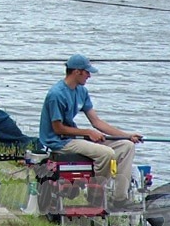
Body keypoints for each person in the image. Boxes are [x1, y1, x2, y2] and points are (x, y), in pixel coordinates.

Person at [39, 54, 142, 211]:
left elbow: (97, 122)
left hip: (75, 137)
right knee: (106, 153)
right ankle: (95, 194)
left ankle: (119, 199)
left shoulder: (81, 91)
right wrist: (87, 132)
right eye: (87, 72)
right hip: (59, 141)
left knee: (127, 147)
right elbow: (57, 129)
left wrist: (127, 135)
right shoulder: (56, 94)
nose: (89, 75)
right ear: (77, 72)